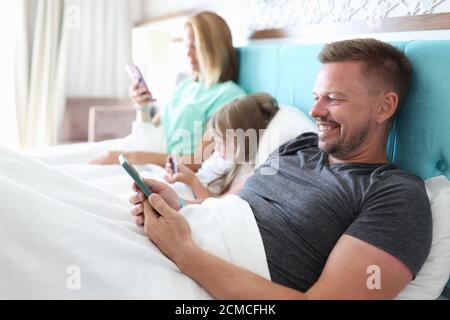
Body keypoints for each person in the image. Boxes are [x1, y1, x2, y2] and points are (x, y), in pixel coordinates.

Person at [129, 38, 433, 299]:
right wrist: (179, 205)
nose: (314, 111)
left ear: (385, 107)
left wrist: (183, 252)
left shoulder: (396, 195)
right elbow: (227, 204)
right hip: (189, 237)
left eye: (334, 99)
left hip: (201, 269)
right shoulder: (300, 144)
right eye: (316, 98)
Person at [90, 11, 246, 170]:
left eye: (194, 46)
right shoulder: (186, 85)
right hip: (149, 155)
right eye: (186, 46)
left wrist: (129, 157)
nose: (187, 53)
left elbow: (197, 161)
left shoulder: (229, 96)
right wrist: (142, 107)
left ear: (215, 47)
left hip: (169, 168)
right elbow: (154, 129)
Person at [164, 93, 279, 201]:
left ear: (243, 140)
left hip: (193, 201)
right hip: (182, 190)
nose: (217, 148)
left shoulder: (244, 173)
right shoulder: (222, 156)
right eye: (216, 140)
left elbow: (215, 206)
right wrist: (180, 169)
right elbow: (201, 173)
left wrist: (192, 181)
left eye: (222, 142)